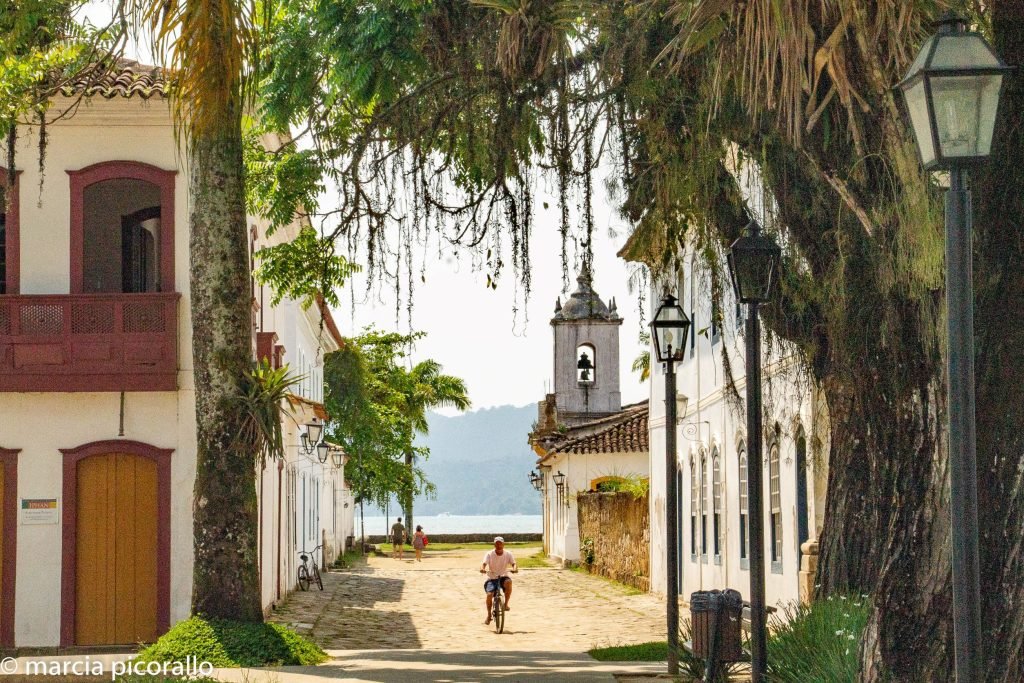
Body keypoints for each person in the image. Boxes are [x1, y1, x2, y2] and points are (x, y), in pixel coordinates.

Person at [479, 536, 517, 624]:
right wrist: (482, 569)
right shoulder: (489, 554)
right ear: (494, 545)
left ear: (503, 544)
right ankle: (489, 615)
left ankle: (506, 604)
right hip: (492, 577)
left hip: (503, 576)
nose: (499, 546)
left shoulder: (508, 554)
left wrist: (515, 569)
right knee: (489, 595)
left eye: (500, 544)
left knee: (509, 582)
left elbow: (514, 563)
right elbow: (484, 563)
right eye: (497, 544)